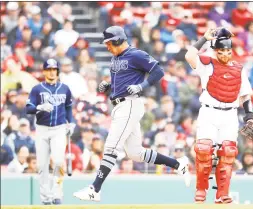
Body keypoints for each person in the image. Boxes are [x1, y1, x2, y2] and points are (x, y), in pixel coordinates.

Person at [73, 26, 190, 202]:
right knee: (135, 153)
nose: (107, 46)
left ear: (119, 39)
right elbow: (120, 83)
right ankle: (178, 163)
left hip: (129, 104)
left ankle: (94, 189)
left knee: (111, 147)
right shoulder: (115, 58)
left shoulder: (136, 54)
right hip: (120, 105)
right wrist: (108, 87)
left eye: (109, 42)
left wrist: (141, 86)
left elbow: (159, 71)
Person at [185, 28, 253, 204]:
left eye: (228, 51)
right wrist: (204, 38)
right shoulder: (207, 64)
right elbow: (189, 56)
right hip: (209, 111)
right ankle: (201, 189)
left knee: (228, 153)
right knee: (203, 149)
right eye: (221, 50)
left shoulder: (239, 69)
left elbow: (245, 95)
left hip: (230, 114)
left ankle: (222, 193)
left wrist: (249, 116)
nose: (225, 54)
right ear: (215, 50)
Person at [26, 58, 75, 205]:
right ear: (44, 71)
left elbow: (68, 107)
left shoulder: (65, 88)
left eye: (54, 69)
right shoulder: (37, 89)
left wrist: (70, 122)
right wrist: (39, 108)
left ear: (58, 71)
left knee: (59, 162)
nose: (52, 72)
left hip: (59, 129)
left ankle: (57, 194)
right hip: (42, 129)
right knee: (42, 166)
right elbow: (28, 108)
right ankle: (45, 198)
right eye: (49, 69)